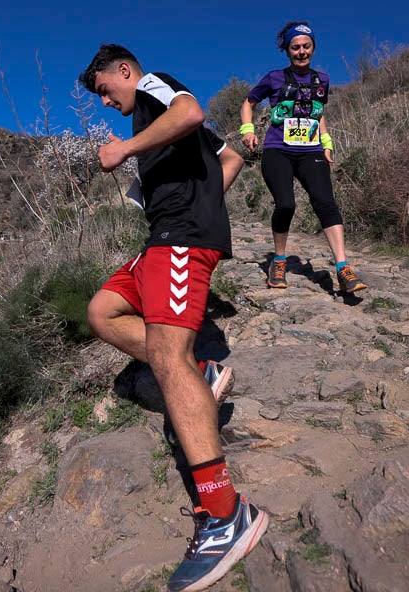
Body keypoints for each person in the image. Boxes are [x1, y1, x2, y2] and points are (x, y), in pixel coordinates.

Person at [79, 44, 268, 592]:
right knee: (102, 311)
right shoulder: (153, 118)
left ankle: (225, 515)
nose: (105, 101)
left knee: (166, 356)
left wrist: (124, 152)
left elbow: (193, 113)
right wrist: (206, 199)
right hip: (160, 239)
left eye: (104, 89)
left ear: (122, 70)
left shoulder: (153, 88)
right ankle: (202, 375)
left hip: (180, 239)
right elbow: (227, 157)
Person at [239, 21, 368, 295]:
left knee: (326, 203)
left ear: (313, 48)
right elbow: (248, 103)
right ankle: (279, 261)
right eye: (295, 47)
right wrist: (247, 129)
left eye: (306, 46)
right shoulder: (274, 78)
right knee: (285, 204)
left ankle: (343, 268)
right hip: (278, 151)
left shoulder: (322, 80)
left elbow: (318, 113)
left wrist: (327, 141)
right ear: (287, 50)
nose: (301, 52)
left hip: (311, 152)